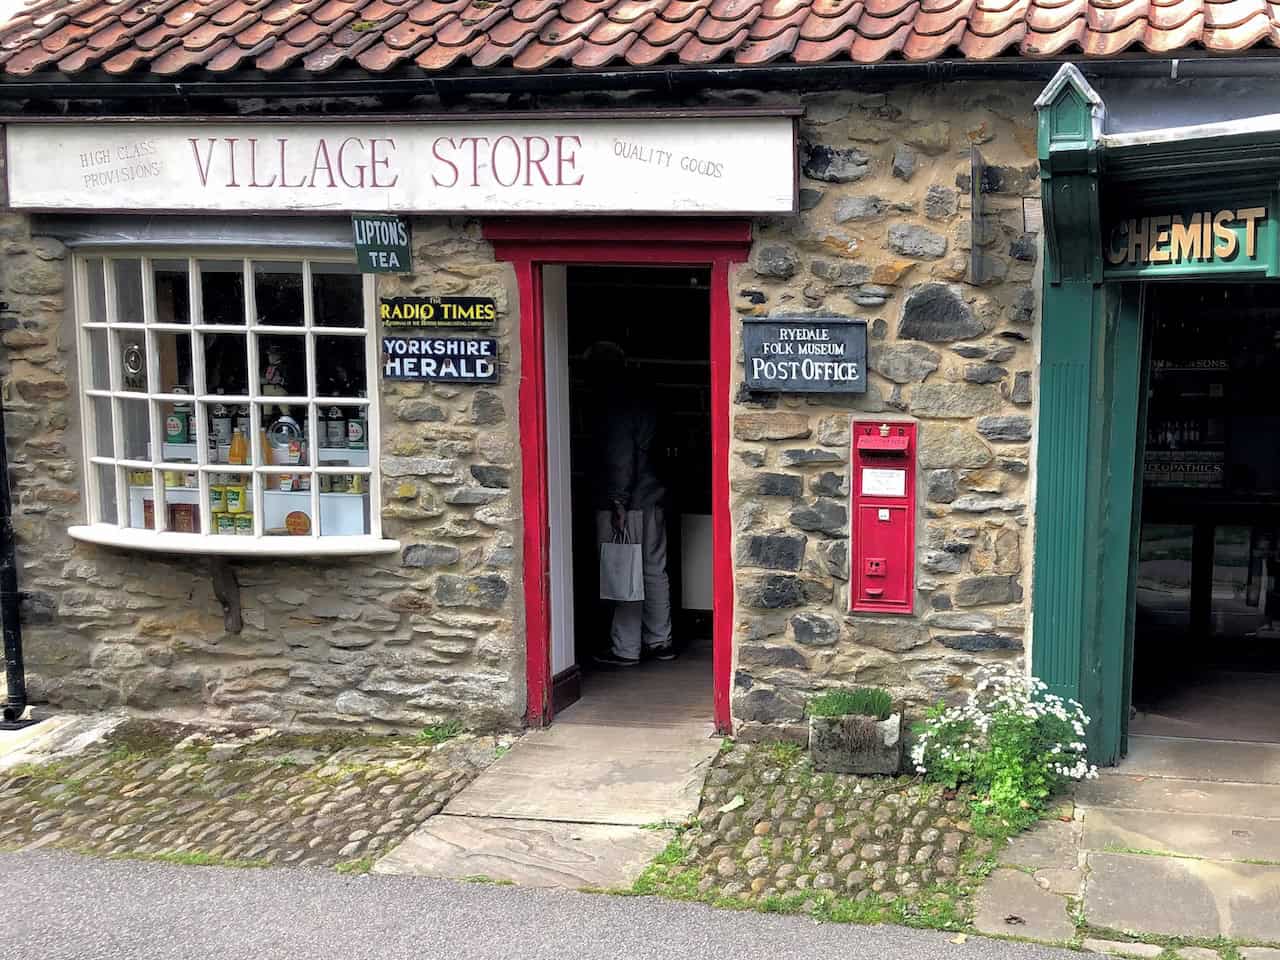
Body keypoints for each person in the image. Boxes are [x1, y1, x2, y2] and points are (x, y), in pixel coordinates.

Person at [586, 341, 674, 666]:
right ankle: (660, 640)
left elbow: (619, 453)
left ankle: (625, 648)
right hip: (654, 495)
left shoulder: (612, 399)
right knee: (653, 571)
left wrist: (617, 500)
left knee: (622, 569)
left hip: (628, 500)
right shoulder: (646, 394)